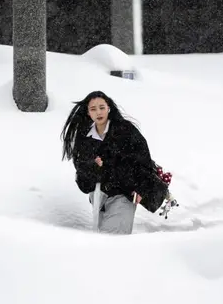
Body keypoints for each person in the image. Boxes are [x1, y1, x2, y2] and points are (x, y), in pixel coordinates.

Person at [60, 91, 170, 234]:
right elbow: (83, 182)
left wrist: (142, 189)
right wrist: (92, 167)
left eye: (102, 107)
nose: (98, 112)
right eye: (93, 109)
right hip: (99, 198)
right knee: (103, 242)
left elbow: (143, 161)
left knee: (113, 240)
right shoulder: (85, 139)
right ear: (88, 113)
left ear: (109, 108)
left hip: (123, 194)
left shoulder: (125, 130)